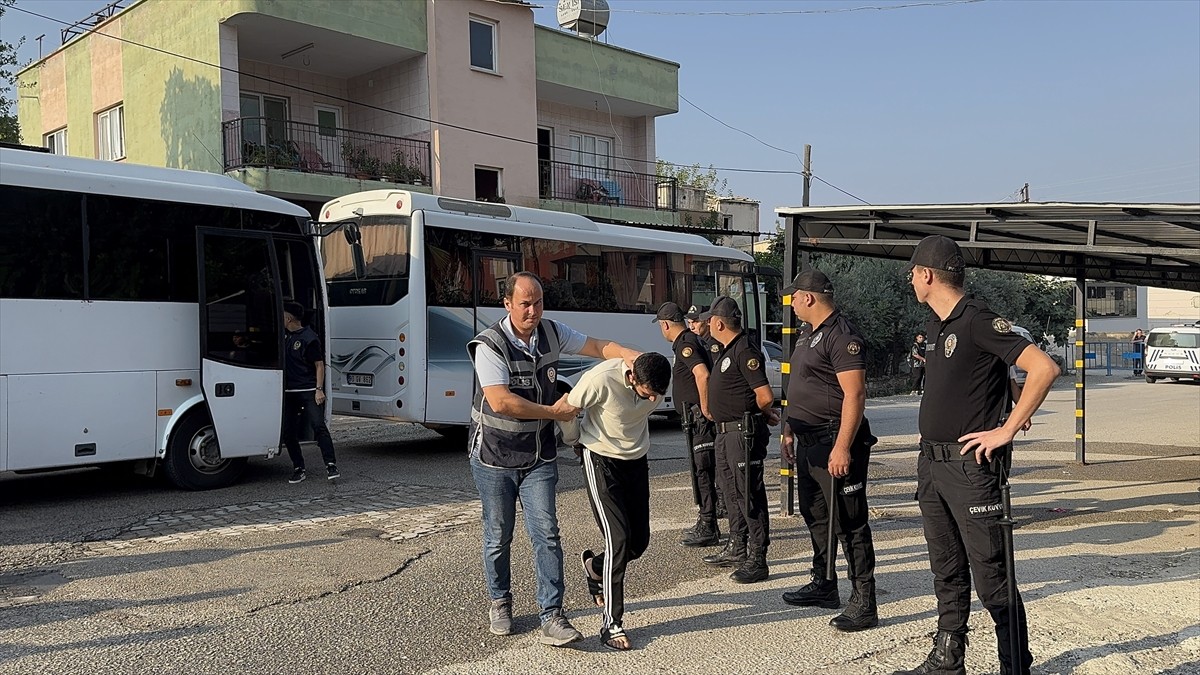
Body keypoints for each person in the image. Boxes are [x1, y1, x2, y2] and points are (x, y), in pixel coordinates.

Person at [895, 236, 1059, 675]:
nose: (910, 279)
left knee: (992, 574)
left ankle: (1014, 666)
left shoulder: (977, 319)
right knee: (946, 567)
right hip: (931, 464)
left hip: (971, 469)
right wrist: (1009, 397)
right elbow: (992, 371)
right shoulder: (936, 325)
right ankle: (949, 659)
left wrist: (1005, 428)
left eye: (912, 272)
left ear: (926, 275)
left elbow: (1044, 367)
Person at [466, 271, 640, 646]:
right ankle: (500, 601)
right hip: (495, 456)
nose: (533, 310)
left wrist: (628, 354)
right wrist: (555, 412)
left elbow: (595, 346)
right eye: (525, 303)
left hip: (539, 456)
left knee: (546, 534)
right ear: (507, 304)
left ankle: (552, 615)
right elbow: (501, 401)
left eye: (538, 302)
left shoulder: (552, 332)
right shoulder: (489, 345)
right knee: (498, 537)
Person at [778, 269, 881, 632]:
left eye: (792, 297)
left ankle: (864, 600)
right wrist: (789, 427)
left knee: (850, 522)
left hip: (833, 440)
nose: (790, 303)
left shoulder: (842, 336)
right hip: (808, 442)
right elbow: (802, 386)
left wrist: (842, 447)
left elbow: (855, 394)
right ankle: (824, 583)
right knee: (817, 516)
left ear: (807, 297)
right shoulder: (808, 336)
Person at [567, 352, 672, 651]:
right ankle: (611, 624)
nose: (653, 401)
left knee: (638, 542)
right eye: (648, 394)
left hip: (636, 460)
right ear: (632, 379)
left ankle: (595, 567)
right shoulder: (601, 379)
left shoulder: (653, 375)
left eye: (658, 396)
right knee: (619, 538)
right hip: (601, 458)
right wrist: (574, 439)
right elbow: (569, 408)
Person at [700, 296, 779, 583]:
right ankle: (737, 545)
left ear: (719, 323)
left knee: (749, 494)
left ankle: (758, 557)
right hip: (725, 433)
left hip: (741, 434)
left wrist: (761, 413)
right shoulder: (728, 349)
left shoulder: (745, 350)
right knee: (731, 492)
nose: (708, 324)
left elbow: (765, 395)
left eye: (710, 320)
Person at [655, 302, 720, 547]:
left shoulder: (685, 344)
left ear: (665, 324)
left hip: (698, 418)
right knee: (701, 471)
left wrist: (704, 408)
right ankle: (706, 520)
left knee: (702, 471)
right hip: (692, 417)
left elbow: (702, 374)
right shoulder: (689, 341)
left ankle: (708, 525)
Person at [282, 301, 339, 484]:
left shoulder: (308, 337)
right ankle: (298, 468)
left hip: (308, 390)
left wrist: (319, 389)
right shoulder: (285, 337)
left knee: (318, 427)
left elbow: (319, 364)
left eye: (283, 316)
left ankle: (331, 465)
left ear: (289, 318)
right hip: (289, 392)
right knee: (288, 432)